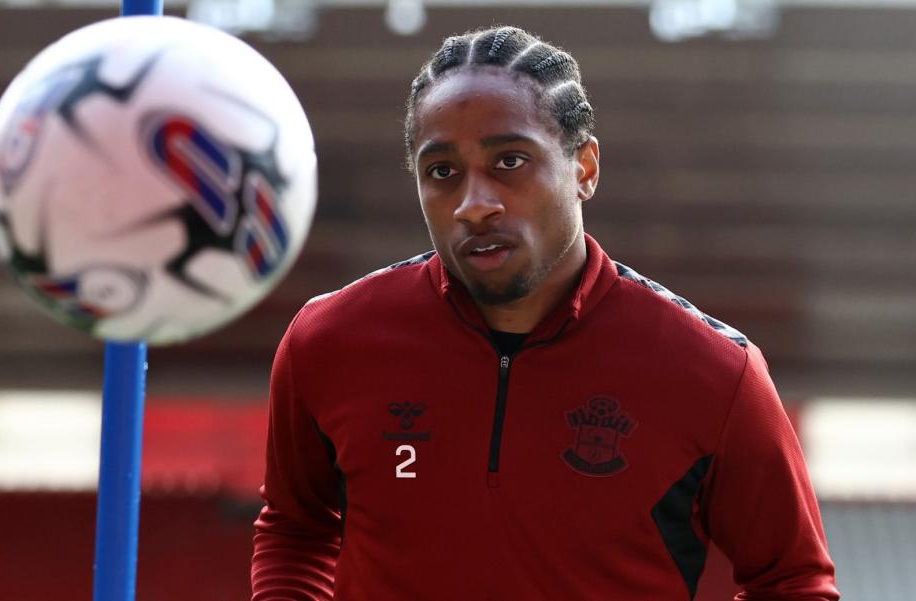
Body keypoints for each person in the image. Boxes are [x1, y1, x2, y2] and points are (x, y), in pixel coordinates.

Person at [251, 25, 839, 601]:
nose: (474, 205)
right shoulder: (329, 340)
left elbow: (793, 582)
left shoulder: (715, 372)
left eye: (509, 162)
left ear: (583, 168)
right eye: (442, 172)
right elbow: (296, 529)